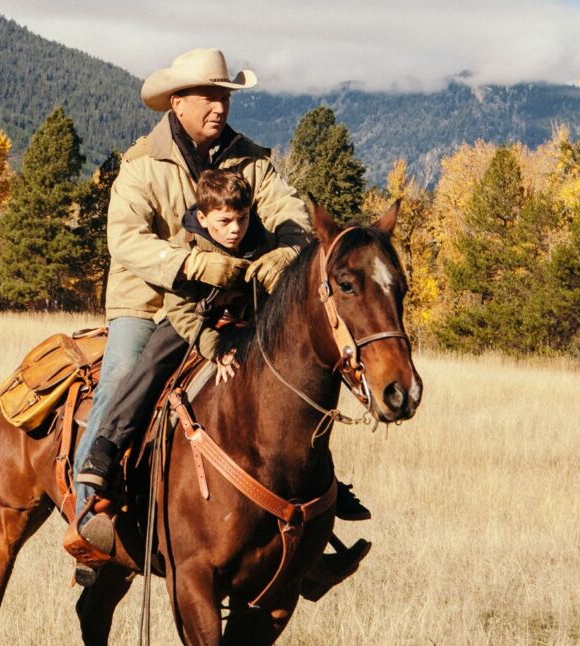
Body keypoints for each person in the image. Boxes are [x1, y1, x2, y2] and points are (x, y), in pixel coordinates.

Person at [66, 49, 370, 579]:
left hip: (240, 299)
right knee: (123, 374)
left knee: (293, 378)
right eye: (208, 95)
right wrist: (195, 266)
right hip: (153, 302)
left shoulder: (250, 160)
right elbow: (126, 241)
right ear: (177, 102)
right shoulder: (142, 164)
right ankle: (90, 507)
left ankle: (313, 522)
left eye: (225, 95)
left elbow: (288, 210)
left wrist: (287, 250)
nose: (219, 105)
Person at [76, 168, 271, 493]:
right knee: (152, 361)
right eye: (225, 222)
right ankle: (106, 447)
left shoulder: (258, 243)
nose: (236, 229)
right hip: (192, 322)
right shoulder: (192, 247)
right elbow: (181, 313)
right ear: (205, 218)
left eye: (243, 219)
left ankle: (321, 479)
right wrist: (216, 348)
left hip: (244, 323)